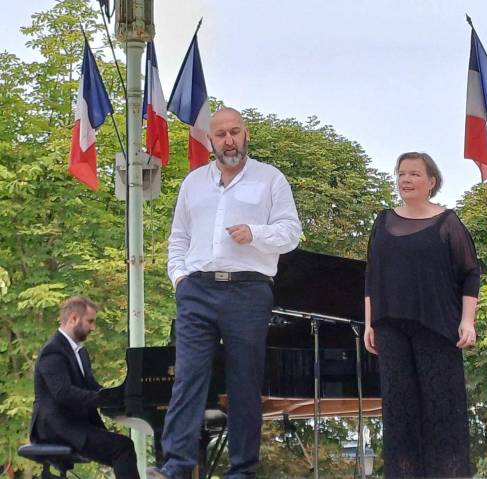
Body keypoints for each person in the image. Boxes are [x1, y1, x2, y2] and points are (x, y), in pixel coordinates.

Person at [148, 107, 302, 479]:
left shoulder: (271, 179)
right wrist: (179, 278)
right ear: (211, 141)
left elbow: (291, 233)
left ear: (245, 134)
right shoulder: (193, 182)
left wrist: (256, 233)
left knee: (244, 383)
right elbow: (179, 238)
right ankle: (177, 467)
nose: (229, 140)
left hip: (249, 291)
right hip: (197, 290)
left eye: (235, 132)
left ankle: (242, 471)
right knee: (187, 378)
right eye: (221, 135)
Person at [364, 152, 480, 478]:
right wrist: (369, 323)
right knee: (399, 416)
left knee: (443, 414)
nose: (406, 179)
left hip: (437, 327)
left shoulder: (448, 223)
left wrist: (467, 320)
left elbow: (470, 273)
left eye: (415, 174)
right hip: (390, 328)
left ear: (431, 182)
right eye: (402, 173)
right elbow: (372, 276)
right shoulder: (382, 222)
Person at [29, 296, 139, 478]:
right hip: (56, 427)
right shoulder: (53, 350)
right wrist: (104, 399)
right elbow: (62, 393)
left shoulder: (80, 351)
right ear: (73, 318)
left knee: (121, 447)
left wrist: (121, 397)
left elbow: (91, 387)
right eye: (90, 321)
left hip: (72, 423)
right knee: (123, 448)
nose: (93, 327)